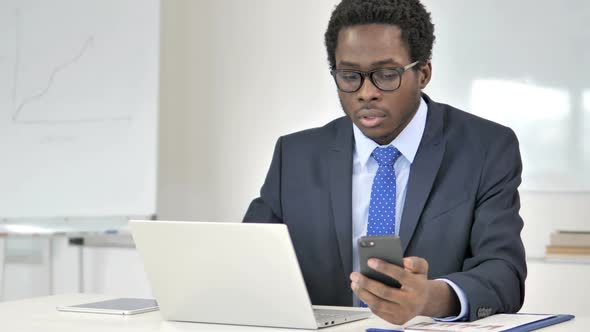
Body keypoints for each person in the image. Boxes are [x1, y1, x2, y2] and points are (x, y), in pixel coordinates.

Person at [243, 0, 526, 324]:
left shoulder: (485, 148)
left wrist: (431, 298)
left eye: (386, 75)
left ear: (423, 73)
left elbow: (505, 274)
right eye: (350, 76)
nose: (366, 92)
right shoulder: (295, 156)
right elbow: (248, 260)